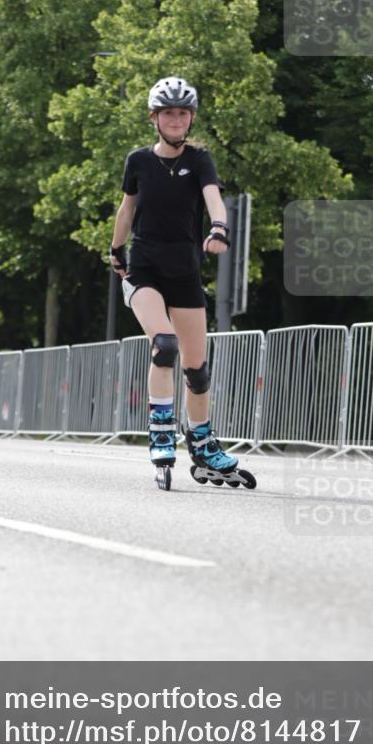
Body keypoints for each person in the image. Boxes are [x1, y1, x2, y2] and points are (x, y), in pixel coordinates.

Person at [109, 75, 246, 483]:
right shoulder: (138, 161)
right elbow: (126, 210)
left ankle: (202, 445)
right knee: (164, 345)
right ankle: (161, 432)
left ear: (190, 119)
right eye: (168, 112)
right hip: (145, 270)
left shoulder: (200, 159)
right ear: (154, 117)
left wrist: (219, 228)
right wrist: (116, 251)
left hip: (185, 270)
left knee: (197, 368)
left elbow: (212, 197)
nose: (175, 119)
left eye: (182, 113)